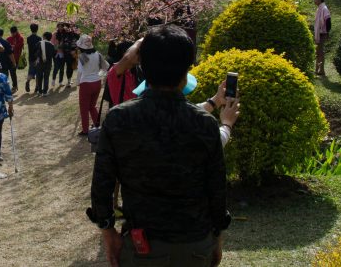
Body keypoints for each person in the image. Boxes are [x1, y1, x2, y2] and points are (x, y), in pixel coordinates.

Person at [89, 24, 236, 266]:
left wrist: (108, 232)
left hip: (141, 246)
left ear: (143, 66)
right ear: (188, 69)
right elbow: (217, 188)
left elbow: (102, 184)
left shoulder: (119, 119)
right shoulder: (205, 124)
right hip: (194, 244)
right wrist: (217, 237)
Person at [75, 34, 108, 136]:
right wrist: (100, 75)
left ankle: (85, 130)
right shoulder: (97, 54)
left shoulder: (82, 57)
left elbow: (80, 72)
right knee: (92, 106)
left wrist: (77, 82)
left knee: (84, 108)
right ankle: (98, 125)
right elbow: (106, 67)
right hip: (97, 82)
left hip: (86, 83)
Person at [312, 0, 331, 78]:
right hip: (319, 33)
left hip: (322, 33)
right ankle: (317, 69)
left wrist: (327, 32)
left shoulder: (324, 8)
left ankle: (321, 71)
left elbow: (328, 21)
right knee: (318, 51)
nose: (314, 1)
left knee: (320, 52)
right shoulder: (319, 8)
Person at [0, 27, 18, 91]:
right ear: (2, 34)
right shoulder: (5, 42)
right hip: (5, 63)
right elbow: (10, 54)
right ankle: (7, 89)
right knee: (5, 78)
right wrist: (14, 63)